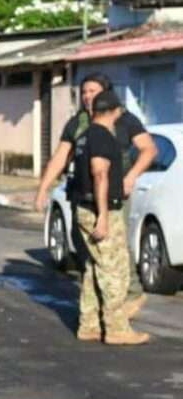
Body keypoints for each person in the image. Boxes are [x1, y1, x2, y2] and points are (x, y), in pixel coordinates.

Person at [35, 73, 157, 316]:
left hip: (112, 195)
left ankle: (127, 297)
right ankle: (95, 311)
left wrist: (130, 177)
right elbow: (60, 157)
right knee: (85, 251)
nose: (88, 96)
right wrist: (43, 189)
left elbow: (149, 149)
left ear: (106, 93)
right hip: (81, 195)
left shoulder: (123, 119)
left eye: (93, 91)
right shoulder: (77, 123)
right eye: (84, 92)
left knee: (114, 248)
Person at [65, 90, 150, 345]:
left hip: (86, 207)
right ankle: (117, 329)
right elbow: (99, 173)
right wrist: (103, 216)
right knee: (116, 271)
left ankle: (89, 324)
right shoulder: (102, 136)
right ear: (115, 111)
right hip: (100, 210)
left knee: (95, 267)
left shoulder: (84, 136)